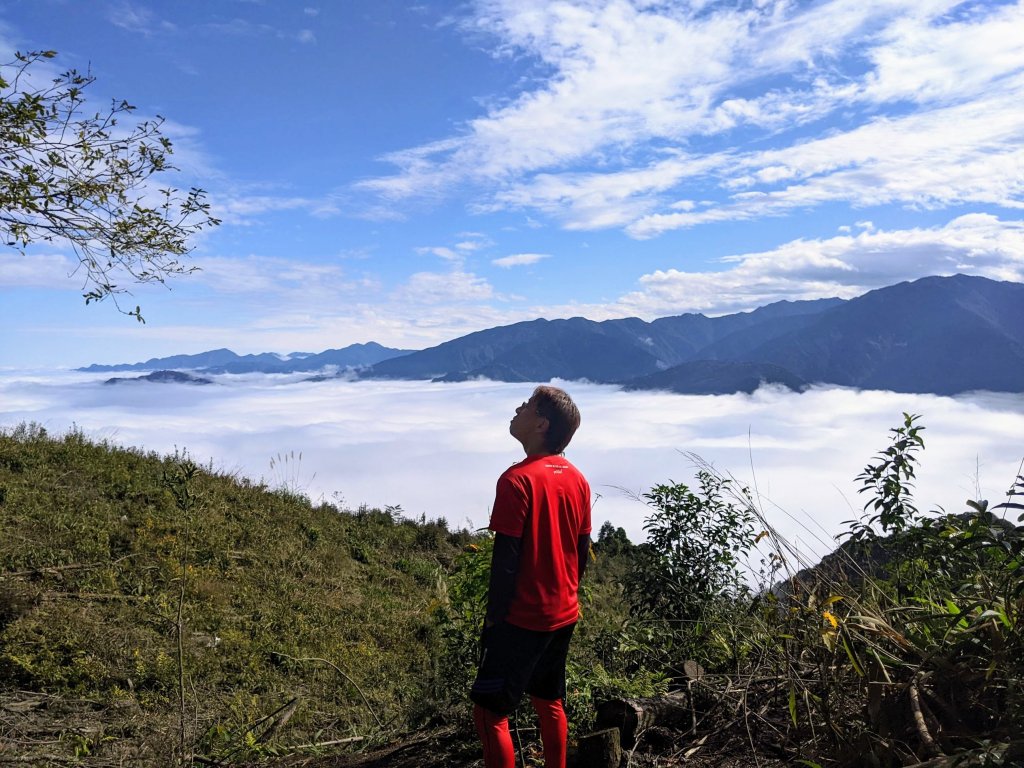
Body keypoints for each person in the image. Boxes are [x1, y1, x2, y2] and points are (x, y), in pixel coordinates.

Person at [470, 386, 592, 768]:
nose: (518, 408)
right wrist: (568, 595)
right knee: (549, 699)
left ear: (541, 424)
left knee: (491, 712)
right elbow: (581, 550)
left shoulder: (516, 481)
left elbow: (505, 562)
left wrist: (494, 620)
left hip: (522, 617)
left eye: (527, 405)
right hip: (564, 612)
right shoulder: (578, 479)